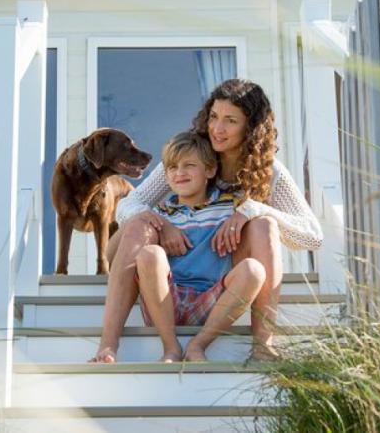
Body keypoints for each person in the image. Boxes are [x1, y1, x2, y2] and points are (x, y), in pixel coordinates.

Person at [90, 78, 323, 363]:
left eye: (230, 121)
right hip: (148, 257)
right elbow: (130, 205)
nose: (217, 129)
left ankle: (263, 343)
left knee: (265, 224)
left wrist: (252, 209)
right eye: (213, 117)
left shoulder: (269, 171)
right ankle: (108, 345)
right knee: (140, 221)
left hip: (218, 270)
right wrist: (164, 226)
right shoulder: (192, 156)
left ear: (251, 128)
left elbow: (312, 235)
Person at [136, 131, 266, 362]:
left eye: (189, 165)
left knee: (254, 270)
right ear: (165, 176)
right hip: (167, 300)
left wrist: (244, 213)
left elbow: (261, 210)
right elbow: (117, 246)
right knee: (150, 254)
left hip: (211, 300)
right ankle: (170, 348)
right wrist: (157, 225)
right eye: (173, 167)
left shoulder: (230, 207)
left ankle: (198, 345)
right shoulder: (160, 215)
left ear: (210, 170)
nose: (180, 173)